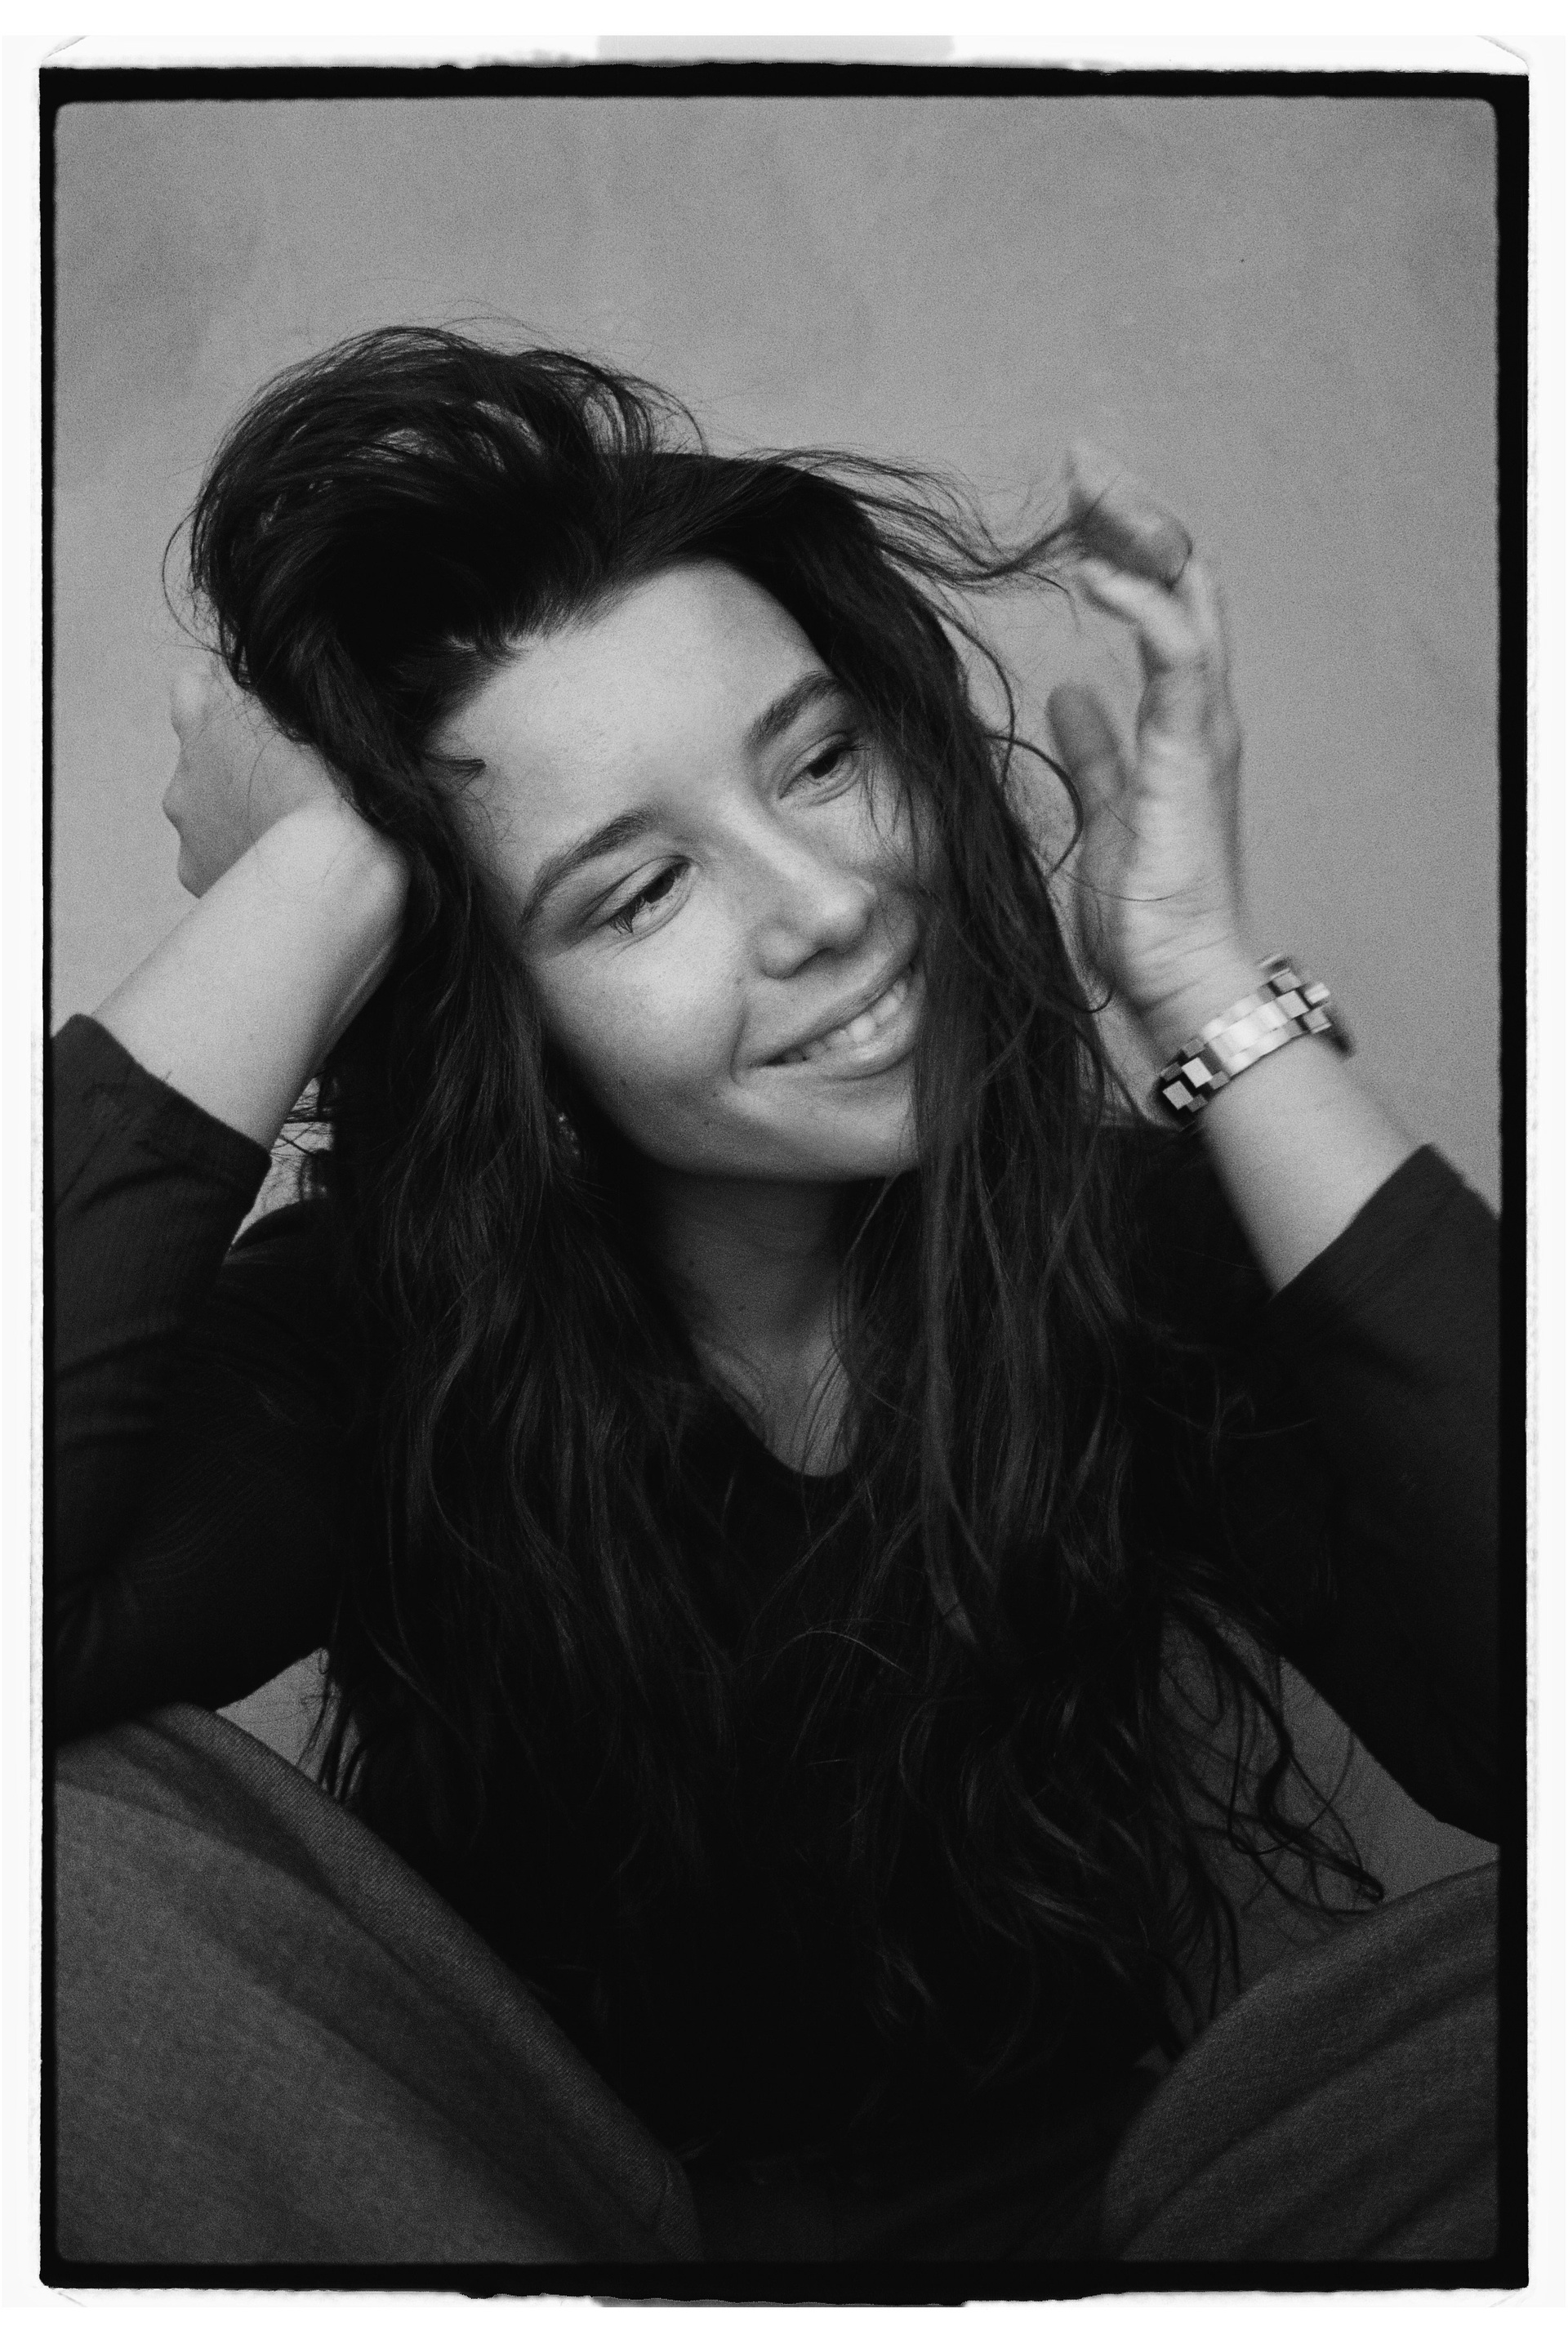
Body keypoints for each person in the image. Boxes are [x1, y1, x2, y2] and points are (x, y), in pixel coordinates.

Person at [51, 327, 1499, 2269]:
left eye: (822, 760)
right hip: (526, 2242)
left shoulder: (1122, 1244)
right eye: (638, 891)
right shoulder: (371, 1334)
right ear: (504, 1018)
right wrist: (308, 891)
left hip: (1138, 2243)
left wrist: (1203, 992)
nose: (826, 903)